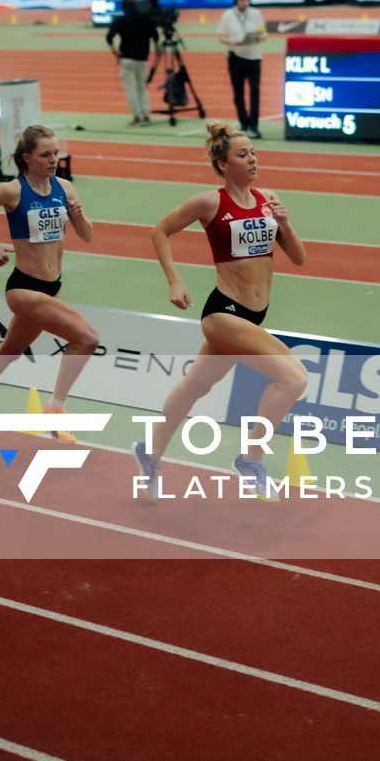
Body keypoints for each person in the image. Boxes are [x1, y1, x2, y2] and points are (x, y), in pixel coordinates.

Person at [138, 123, 308, 501]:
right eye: (242, 155)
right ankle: (250, 460)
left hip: (253, 315)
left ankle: (149, 452)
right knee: (294, 378)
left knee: (197, 385)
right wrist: (174, 281)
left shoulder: (268, 199)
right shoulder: (209, 203)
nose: (253, 160)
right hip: (223, 313)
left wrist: (285, 222)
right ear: (223, 164)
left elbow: (298, 258)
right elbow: (160, 230)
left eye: (254, 153)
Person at [0, 123, 97, 441]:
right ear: (27, 158)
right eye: (45, 155)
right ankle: (55, 410)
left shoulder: (65, 188)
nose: (53, 159)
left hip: (52, 287)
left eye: (56, 153)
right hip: (23, 287)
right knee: (87, 339)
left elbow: (87, 236)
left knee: (11, 349)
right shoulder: (12, 191)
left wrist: (78, 215)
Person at [105, 0, 159, 126]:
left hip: (127, 58)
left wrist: (115, 52)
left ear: (124, 5)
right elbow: (155, 35)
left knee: (131, 89)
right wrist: (157, 48)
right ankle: (146, 116)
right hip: (143, 58)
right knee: (142, 88)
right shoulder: (146, 17)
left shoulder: (120, 19)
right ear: (136, 4)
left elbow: (109, 37)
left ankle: (136, 116)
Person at [217, 0, 266, 138]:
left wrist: (259, 38)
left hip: (254, 57)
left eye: (247, 0)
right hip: (236, 58)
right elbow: (220, 36)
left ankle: (254, 126)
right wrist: (231, 41)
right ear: (236, 1)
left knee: (255, 91)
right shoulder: (227, 15)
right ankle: (244, 123)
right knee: (238, 93)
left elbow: (264, 33)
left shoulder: (256, 14)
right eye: (242, 0)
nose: (245, 3)